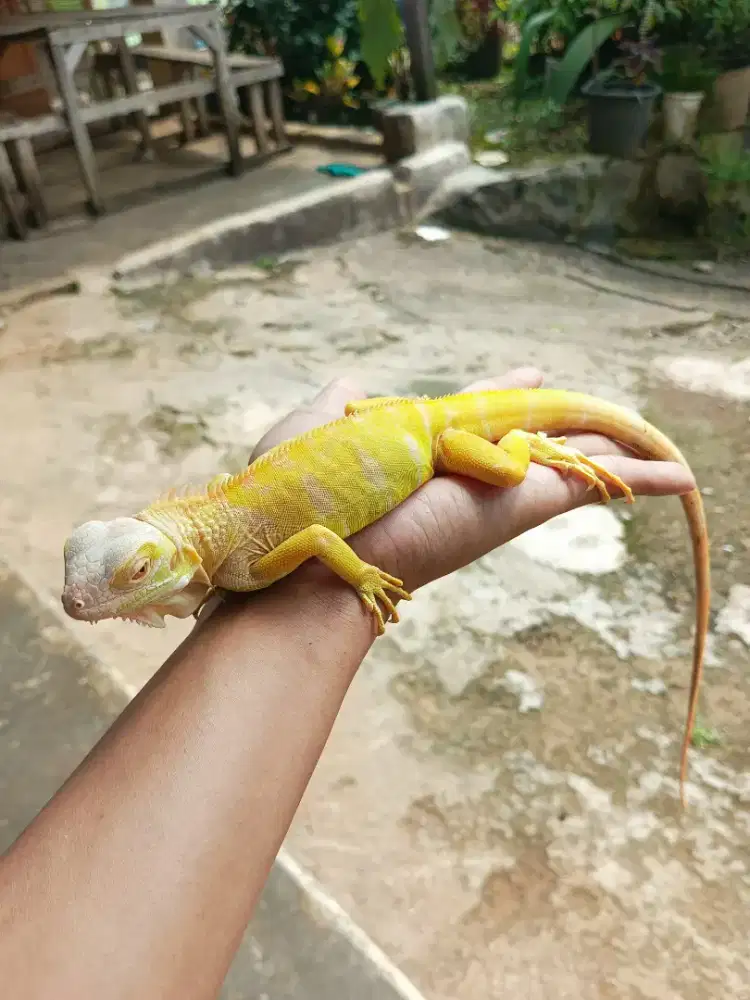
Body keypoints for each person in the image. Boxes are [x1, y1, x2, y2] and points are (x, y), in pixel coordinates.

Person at [0, 369, 694, 999]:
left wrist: (362, 575)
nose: (82, 600)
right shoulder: (215, 549)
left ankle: (526, 445)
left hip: (436, 435)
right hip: (404, 421)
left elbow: (317, 544)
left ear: (171, 552)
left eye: (130, 577)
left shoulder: (244, 565)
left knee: (508, 475)